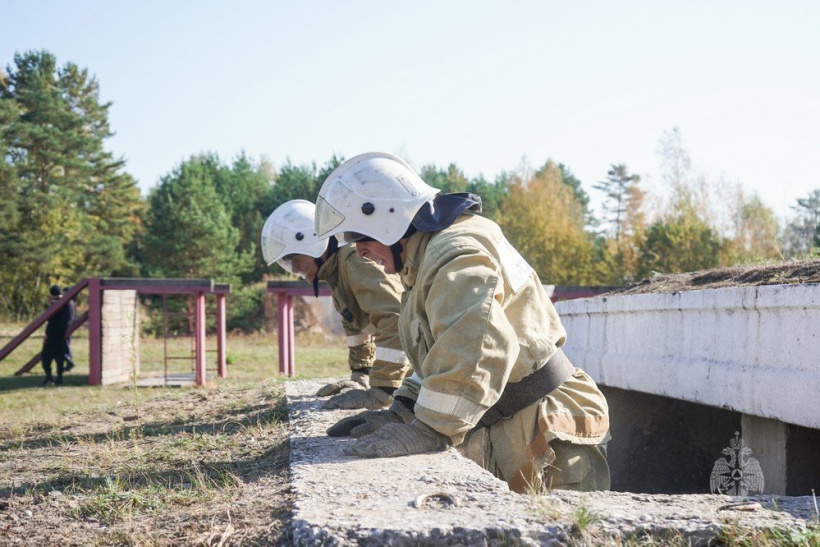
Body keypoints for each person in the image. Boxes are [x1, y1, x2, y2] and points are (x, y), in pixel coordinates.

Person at [315, 152, 611, 493]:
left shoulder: (454, 251)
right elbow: (441, 352)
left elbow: (479, 344)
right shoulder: (428, 258)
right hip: (516, 422)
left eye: (359, 236)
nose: (359, 252)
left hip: (548, 433)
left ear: (388, 219)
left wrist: (428, 428)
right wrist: (403, 409)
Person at [261, 199, 412, 410]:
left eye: (294, 258)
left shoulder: (353, 260)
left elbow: (396, 320)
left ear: (313, 242)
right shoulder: (334, 269)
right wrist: (362, 373)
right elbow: (356, 325)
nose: (294, 267)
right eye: (287, 262)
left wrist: (384, 388)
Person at [41, 285, 72, 386]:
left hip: (53, 335)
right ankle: (59, 378)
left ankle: (49, 377)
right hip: (64, 334)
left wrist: (47, 335)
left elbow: (52, 322)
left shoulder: (56, 304)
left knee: (46, 357)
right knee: (59, 358)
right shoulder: (69, 303)